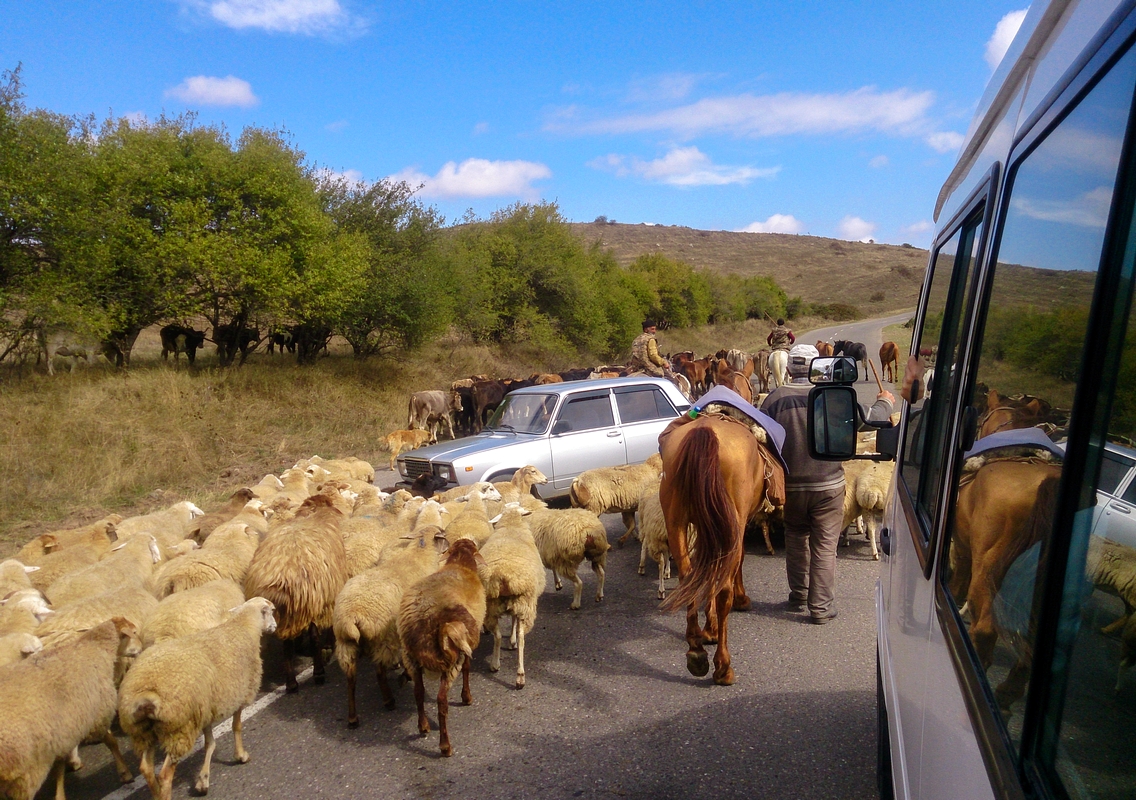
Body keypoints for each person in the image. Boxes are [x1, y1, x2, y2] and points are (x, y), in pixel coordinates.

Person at [761, 343, 894, 624]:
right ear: (816, 368)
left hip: (790, 485)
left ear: (789, 369)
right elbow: (871, 420)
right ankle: (820, 608)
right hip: (828, 485)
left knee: (795, 536)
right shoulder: (833, 395)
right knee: (824, 544)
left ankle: (799, 594)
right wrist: (885, 401)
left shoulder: (774, 399)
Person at [767, 319, 795, 389]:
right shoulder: (787, 330)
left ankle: (768, 369)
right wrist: (790, 342)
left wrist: (770, 344)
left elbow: (768, 339)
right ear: (783, 323)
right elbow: (793, 338)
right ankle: (791, 370)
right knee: (790, 359)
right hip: (784, 348)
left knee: (769, 358)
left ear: (777, 323)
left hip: (775, 348)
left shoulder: (774, 330)